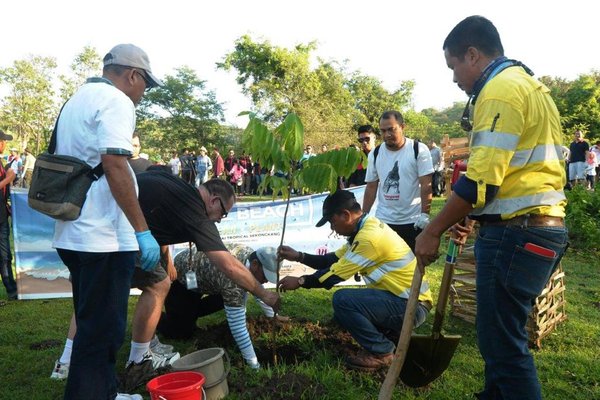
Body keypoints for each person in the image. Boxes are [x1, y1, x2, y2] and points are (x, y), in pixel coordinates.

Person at [415, 16, 569, 400]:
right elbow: (513, 170)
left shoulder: (499, 91)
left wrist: (432, 229)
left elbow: (480, 181)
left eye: (454, 66)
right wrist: (472, 215)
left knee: (503, 348)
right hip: (539, 228)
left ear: (473, 54)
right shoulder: (531, 85)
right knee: (500, 338)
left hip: (517, 234)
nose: (454, 78)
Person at [52, 43, 163, 400]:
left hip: (73, 233)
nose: (143, 93)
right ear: (133, 75)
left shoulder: (76, 99)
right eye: (145, 84)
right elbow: (114, 164)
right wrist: (142, 231)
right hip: (101, 238)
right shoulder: (118, 101)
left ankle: (104, 391)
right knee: (102, 332)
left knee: (90, 326)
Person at [278, 190, 432, 370]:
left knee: (343, 301)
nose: (332, 228)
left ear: (345, 215)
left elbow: (333, 275)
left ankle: (382, 352)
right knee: (342, 316)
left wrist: (300, 281)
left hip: (411, 306)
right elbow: (332, 260)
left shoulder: (369, 238)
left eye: (332, 222)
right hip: (403, 301)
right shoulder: (363, 230)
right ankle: (391, 335)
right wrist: (298, 256)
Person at [157, 244, 282, 369]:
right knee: (181, 333)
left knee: (226, 300)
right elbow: (237, 325)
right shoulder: (232, 282)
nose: (266, 281)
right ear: (255, 264)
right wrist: (254, 364)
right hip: (182, 279)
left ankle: (190, 312)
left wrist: (273, 316)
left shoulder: (248, 255)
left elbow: (257, 288)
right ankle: (157, 318)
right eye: (265, 276)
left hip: (205, 278)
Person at [362, 110, 434, 251]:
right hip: (384, 220)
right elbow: (371, 187)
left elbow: (426, 185)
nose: (387, 135)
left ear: (402, 127)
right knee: (384, 265)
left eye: (391, 129)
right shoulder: (375, 154)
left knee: (413, 266)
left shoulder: (418, 150)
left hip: (412, 220)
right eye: (383, 131)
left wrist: (425, 215)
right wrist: (363, 216)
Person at [0, 130, 17, 301]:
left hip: (2, 215)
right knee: (4, 254)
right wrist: (8, 178)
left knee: (5, 255)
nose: (4, 144)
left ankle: (12, 289)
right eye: (3, 141)